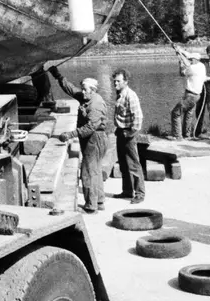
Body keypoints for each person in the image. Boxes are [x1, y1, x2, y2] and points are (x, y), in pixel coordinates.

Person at [49, 66, 109, 213]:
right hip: (94, 139)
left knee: (87, 172)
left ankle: (91, 206)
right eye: (82, 89)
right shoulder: (86, 96)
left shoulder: (96, 104)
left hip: (95, 139)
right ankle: (99, 200)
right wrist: (58, 76)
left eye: (85, 89)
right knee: (95, 170)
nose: (81, 91)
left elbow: (89, 128)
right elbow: (71, 89)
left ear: (93, 90)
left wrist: (69, 135)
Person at [113, 69, 145, 204]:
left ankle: (139, 194)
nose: (115, 83)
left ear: (125, 82)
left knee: (133, 164)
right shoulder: (120, 94)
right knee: (123, 164)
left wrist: (130, 133)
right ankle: (127, 191)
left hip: (127, 133)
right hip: (120, 132)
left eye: (118, 81)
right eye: (114, 81)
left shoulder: (130, 96)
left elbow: (138, 118)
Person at [170, 52, 206, 140]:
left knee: (175, 113)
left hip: (190, 96)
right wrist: (179, 50)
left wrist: (181, 64)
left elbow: (182, 73)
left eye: (191, 59)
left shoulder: (192, 68)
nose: (190, 60)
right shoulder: (201, 66)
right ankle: (187, 135)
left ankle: (177, 136)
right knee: (188, 115)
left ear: (195, 59)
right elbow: (187, 59)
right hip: (197, 96)